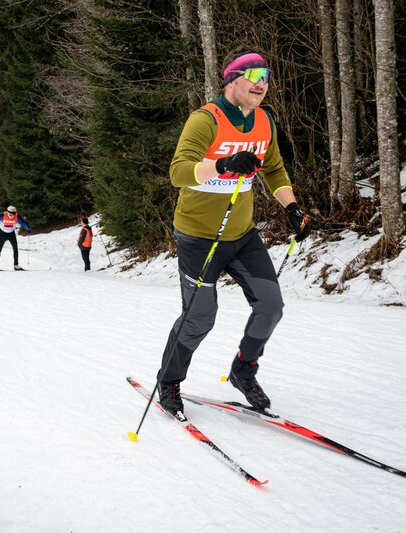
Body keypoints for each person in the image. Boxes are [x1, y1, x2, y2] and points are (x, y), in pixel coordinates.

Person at [156, 47, 311, 417]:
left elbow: (273, 169)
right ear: (232, 79)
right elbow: (179, 172)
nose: (262, 84)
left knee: (271, 307)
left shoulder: (264, 122)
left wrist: (291, 206)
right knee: (199, 317)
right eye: (255, 76)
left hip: (241, 234)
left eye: (267, 77)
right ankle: (170, 382)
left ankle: (244, 370)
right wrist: (223, 163)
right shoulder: (205, 120)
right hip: (198, 237)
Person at [0, 205, 31, 271]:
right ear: (8, 212)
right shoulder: (2, 215)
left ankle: (16, 265)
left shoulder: (16, 216)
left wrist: (28, 228)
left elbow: (23, 223)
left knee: (15, 249)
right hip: (2, 233)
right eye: (10, 214)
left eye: (13, 214)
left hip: (11, 233)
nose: (12, 216)